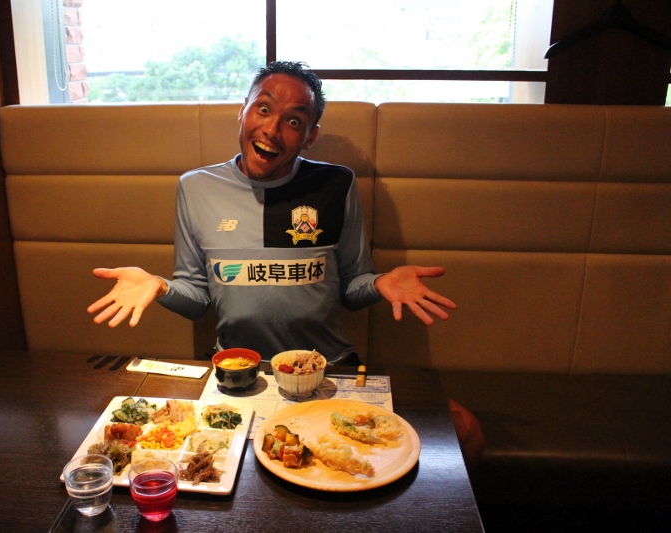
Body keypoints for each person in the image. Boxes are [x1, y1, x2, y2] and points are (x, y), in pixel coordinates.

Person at [87, 61, 482, 467]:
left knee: (464, 428)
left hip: (328, 370)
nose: (272, 129)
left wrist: (378, 283)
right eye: (263, 109)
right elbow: (198, 299)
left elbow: (351, 286)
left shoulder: (336, 184)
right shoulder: (196, 187)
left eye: (293, 121)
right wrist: (160, 286)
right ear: (242, 111)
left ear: (310, 137)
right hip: (241, 373)